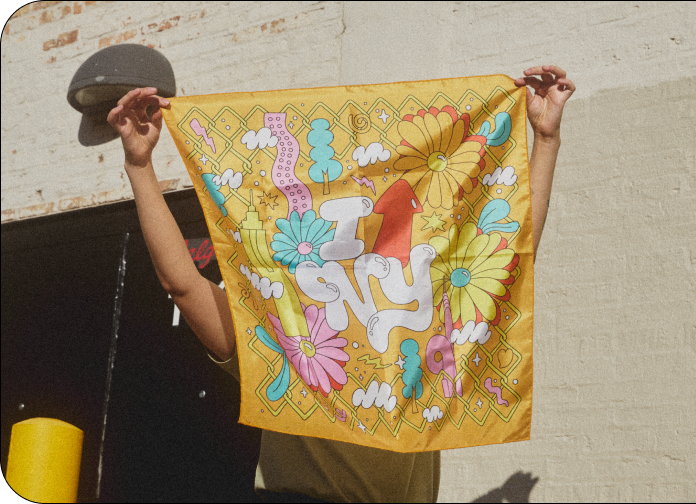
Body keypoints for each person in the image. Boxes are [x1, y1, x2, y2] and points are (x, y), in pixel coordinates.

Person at [107, 66, 575, 502]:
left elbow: (182, 284)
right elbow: (508, 255)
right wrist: (139, 167)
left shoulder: (288, 327)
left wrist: (546, 138)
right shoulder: (295, 324)